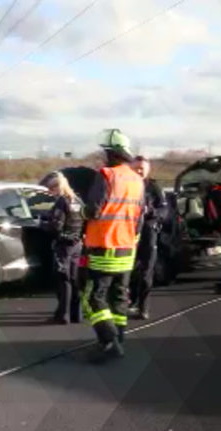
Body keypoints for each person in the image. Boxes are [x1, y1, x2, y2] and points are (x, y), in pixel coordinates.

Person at [82, 129, 144, 361]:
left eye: (106, 152)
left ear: (112, 153)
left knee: (92, 298)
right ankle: (119, 339)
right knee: (118, 296)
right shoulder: (137, 180)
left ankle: (108, 342)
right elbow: (139, 217)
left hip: (104, 245)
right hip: (127, 247)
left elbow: (93, 210)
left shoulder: (106, 175)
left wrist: (79, 209)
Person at [40, 171, 84, 325]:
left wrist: (43, 224)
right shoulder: (77, 200)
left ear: (57, 187)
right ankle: (76, 315)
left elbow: (56, 226)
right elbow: (84, 221)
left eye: (51, 189)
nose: (51, 193)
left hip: (64, 245)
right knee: (74, 279)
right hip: (77, 244)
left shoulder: (61, 202)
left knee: (63, 280)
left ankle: (62, 315)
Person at [128, 155, 168, 320]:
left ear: (147, 170)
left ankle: (143, 308)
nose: (138, 171)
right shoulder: (126, 186)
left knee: (146, 272)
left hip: (147, 233)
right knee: (127, 272)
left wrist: (152, 213)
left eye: (141, 169)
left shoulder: (153, 187)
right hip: (127, 234)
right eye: (135, 168)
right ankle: (130, 302)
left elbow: (164, 211)